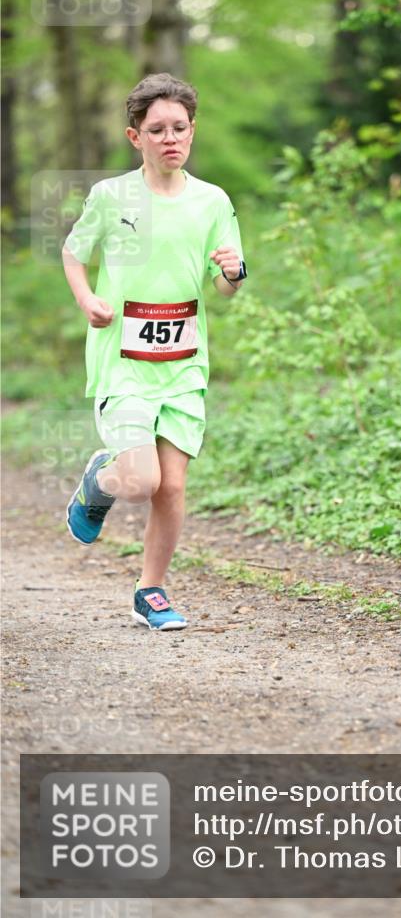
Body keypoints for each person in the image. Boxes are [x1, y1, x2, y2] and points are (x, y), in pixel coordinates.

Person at [62, 72, 246, 631]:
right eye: (158, 129)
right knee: (142, 482)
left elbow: (224, 285)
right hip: (123, 362)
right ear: (135, 136)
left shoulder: (212, 201)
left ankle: (152, 591)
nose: (171, 138)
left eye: (180, 128)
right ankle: (101, 480)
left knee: (173, 485)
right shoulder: (111, 196)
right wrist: (88, 299)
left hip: (185, 364)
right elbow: (74, 253)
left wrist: (233, 274)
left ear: (193, 131)